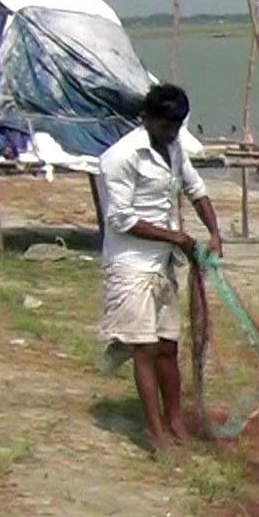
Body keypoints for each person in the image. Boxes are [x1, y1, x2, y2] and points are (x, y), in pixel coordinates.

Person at [97, 83, 223, 455]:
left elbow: (196, 191)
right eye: (167, 126)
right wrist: (176, 237)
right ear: (147, 119)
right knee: (145, 348)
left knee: (169, 346)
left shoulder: (175, 147)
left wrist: (214, 232)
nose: (172, 133)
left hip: (164, 265)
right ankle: (155, 433)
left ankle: (175, 422)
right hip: (132, 265)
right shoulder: (119, 158)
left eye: (177, 126)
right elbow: (121, 219)